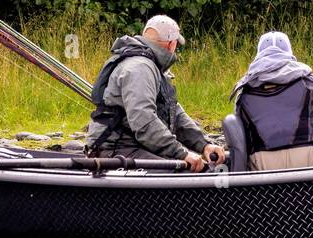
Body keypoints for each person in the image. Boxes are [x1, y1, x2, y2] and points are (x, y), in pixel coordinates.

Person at [85, 15, 225, 172]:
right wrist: (181, 153)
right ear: (171, 44)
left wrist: (204, 145)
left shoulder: (152, 67)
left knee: (197, 167)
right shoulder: (140, 69)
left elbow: (175, 113)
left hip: (135, 145)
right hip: (116, 149)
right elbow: (143, 121)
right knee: (180, 173)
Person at [231, 31, 313, 170]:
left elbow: (241, 142)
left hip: (263, 164)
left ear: (258, 54)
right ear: (290, 52)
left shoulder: (244, 92)